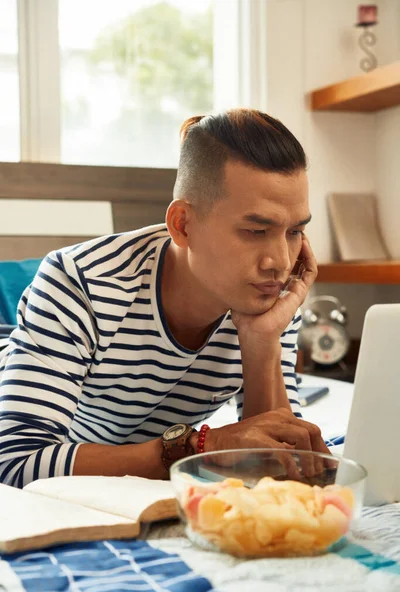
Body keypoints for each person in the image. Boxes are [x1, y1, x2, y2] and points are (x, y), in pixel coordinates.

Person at [0, 108, 327, 489]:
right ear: (183, 225)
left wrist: (262, 340)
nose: (281, 263)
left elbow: (281, 463)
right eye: (256, 230)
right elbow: (14, 463)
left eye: (294, 232)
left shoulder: (270, 293)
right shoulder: (78, 283)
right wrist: (206, 446)